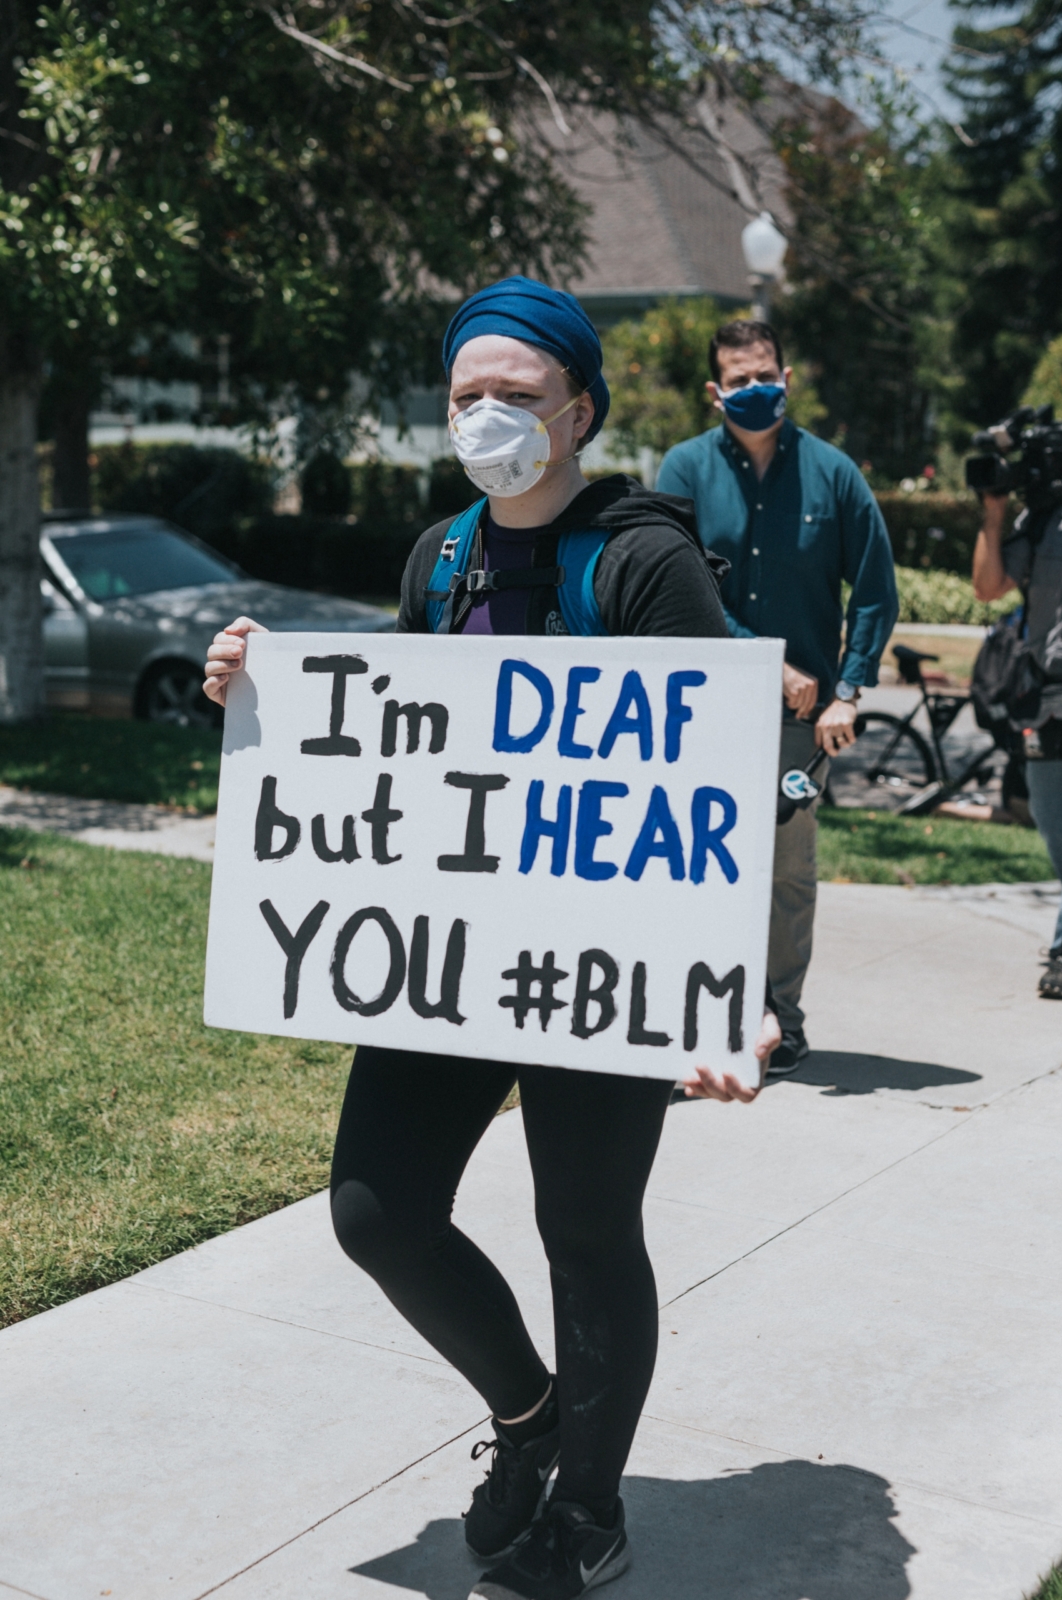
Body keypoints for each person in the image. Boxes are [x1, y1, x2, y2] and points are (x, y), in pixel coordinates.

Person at [203, 277, 781, 1600]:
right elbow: (407, 747)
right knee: (375, 1210)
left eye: (515, 396)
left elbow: (717, 770)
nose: (486, 417)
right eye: (467, 395)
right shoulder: (439, 556)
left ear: (578, 409)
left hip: (600, 966)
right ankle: (529, 1421)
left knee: (582, 1228)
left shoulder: (643, 557)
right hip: (450, 962)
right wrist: (261, 689)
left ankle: (587, 1505)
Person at [657, 319, 898, 1076]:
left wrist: (846, 691)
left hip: (802, 722)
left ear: (786, 377)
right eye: (738, 379)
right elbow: (675, 579)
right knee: (693, 862)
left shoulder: (833, 473)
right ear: (714, 389)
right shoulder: (684, 469)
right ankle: (692, 1012)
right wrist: (761, 660)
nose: (754, 390)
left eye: (765, 375)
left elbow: (875, 590)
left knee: (785, 872)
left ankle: (780, 1022)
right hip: (702, 709)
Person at [973, 488, 1062, 999]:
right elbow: (988, 587)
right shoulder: (1047, 514)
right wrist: (994, 514)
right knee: (1055, 829)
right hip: (1049, 696)